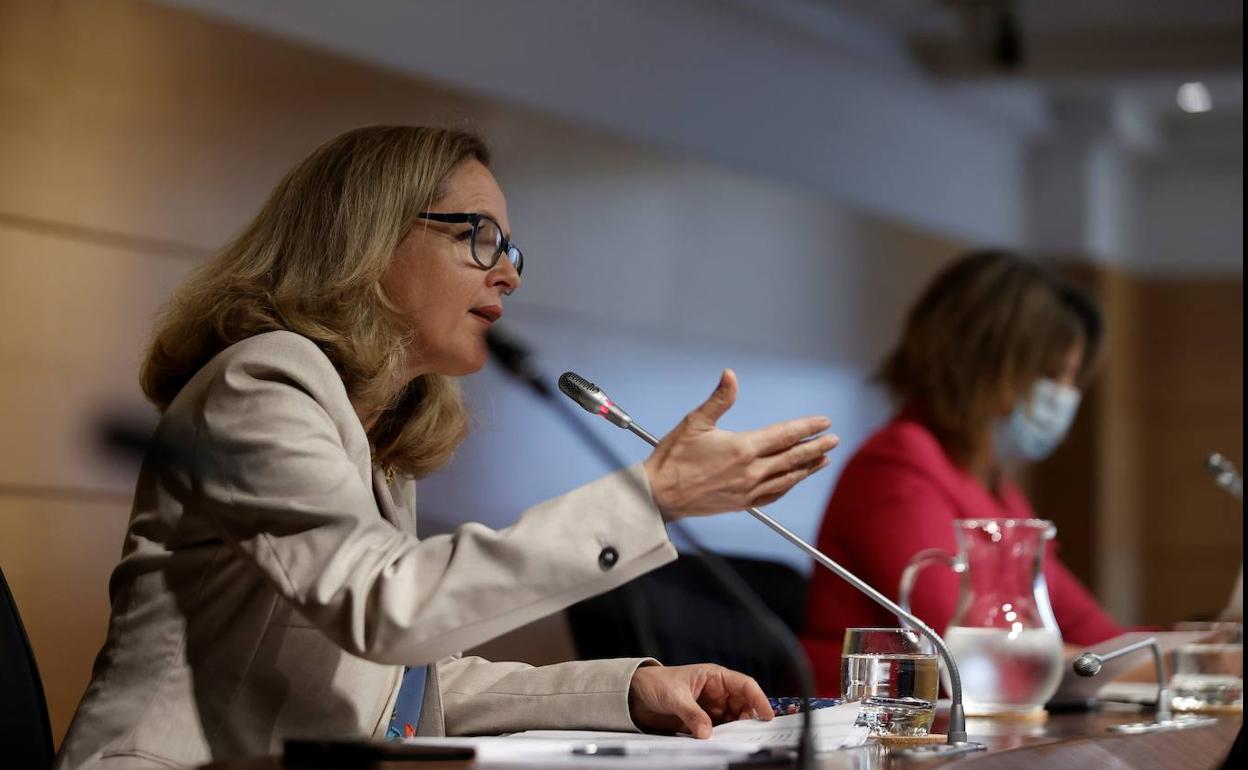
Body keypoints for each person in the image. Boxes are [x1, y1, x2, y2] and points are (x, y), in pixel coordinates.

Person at [55, 126, 839, 769]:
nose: (508, 276)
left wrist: (627, 691)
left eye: (511, 250)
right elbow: (386, 608)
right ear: (370, 237)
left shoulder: (374, 429)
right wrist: (650, 497)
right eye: (481, 237)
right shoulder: (261, 382)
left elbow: (399, 684)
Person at [800, 250, 1124, 696]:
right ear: (977, 360)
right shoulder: (897, 464)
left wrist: (1194, 652)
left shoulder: (998, 491)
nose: (1065, 395)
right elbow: (969, 653)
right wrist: (1159, 665)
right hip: (870, 726)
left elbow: (1097, 633)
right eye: (1051, 374)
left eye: (1072, 379)